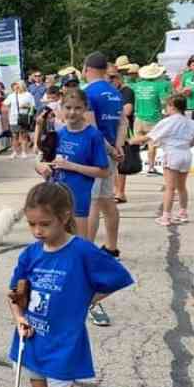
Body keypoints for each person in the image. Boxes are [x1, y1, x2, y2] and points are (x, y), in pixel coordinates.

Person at [8, 182, 133, 387]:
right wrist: (18, 317)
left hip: (62, 343)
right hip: (32, 339)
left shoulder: (82, 251)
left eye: (44, 224)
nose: (37, 231)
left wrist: (86, 301)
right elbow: (15, 295)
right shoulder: (30, 254)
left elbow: (119, 277)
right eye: (32, 224)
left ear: (64, 217)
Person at [81, 52, 125, 313]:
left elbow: (92, 127)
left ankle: (88, 250)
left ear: (87, 69)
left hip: (97, 153)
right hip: (114, 151)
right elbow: (122, 123)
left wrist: (109, 149)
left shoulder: (88, 93)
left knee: (94, 204)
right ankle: (112, 245)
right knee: (107, 201)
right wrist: (119, 146)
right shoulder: (114, 92)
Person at [34, 86, 108, 236]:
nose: (72, 112)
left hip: (78, 200)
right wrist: (40, 166)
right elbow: (41, 160)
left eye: (78, 108)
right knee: (54, 245)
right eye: (68, 107)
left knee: (78, 245)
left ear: (85, 108)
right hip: (54, 199)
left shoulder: (93, 136)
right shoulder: (57, 134)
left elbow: (104, 172)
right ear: (61, 108)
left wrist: (72, 166)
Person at [128, 95, 194, 226]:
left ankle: (166, 216)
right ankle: (183, 213)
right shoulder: (191, 122)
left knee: (170, 188)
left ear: (172, 106)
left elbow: (149, 136)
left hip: (172, 153)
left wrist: (131, 141)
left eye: (167, 105)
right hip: (186, 153)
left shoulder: (168, 121)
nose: (165, 108)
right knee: (182, 186)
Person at [132, 63, 174, 175]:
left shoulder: (138, 85)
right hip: (153, 118)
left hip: (138, 117)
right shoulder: (160, 86)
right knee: (152, 144)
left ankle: (133, 165)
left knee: (136, 143)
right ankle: (151, 167)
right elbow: (164, 101)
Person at [107, 66, 135, 203]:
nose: (111, 80)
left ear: (119, 77)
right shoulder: (110, 92)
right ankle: (114, 190)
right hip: (111, 129)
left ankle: (120, 192)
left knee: (121, 163)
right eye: (109, 77)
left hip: (122, 130)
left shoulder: (126, 91)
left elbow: (128, 110)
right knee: (112, 162)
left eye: (113, 77)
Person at [3, 80, 36, 159]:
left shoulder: (28, 95)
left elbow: (33, 106)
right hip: (13, 118)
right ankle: (14, 152)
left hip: (24, 117)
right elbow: (4, 104)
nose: (16, 87)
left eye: (18, 85)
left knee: (24, 135)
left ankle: (24, 152)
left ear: (22, 86)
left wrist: (27, 106)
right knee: (14, 136)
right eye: (16, 86)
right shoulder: (12, 95)